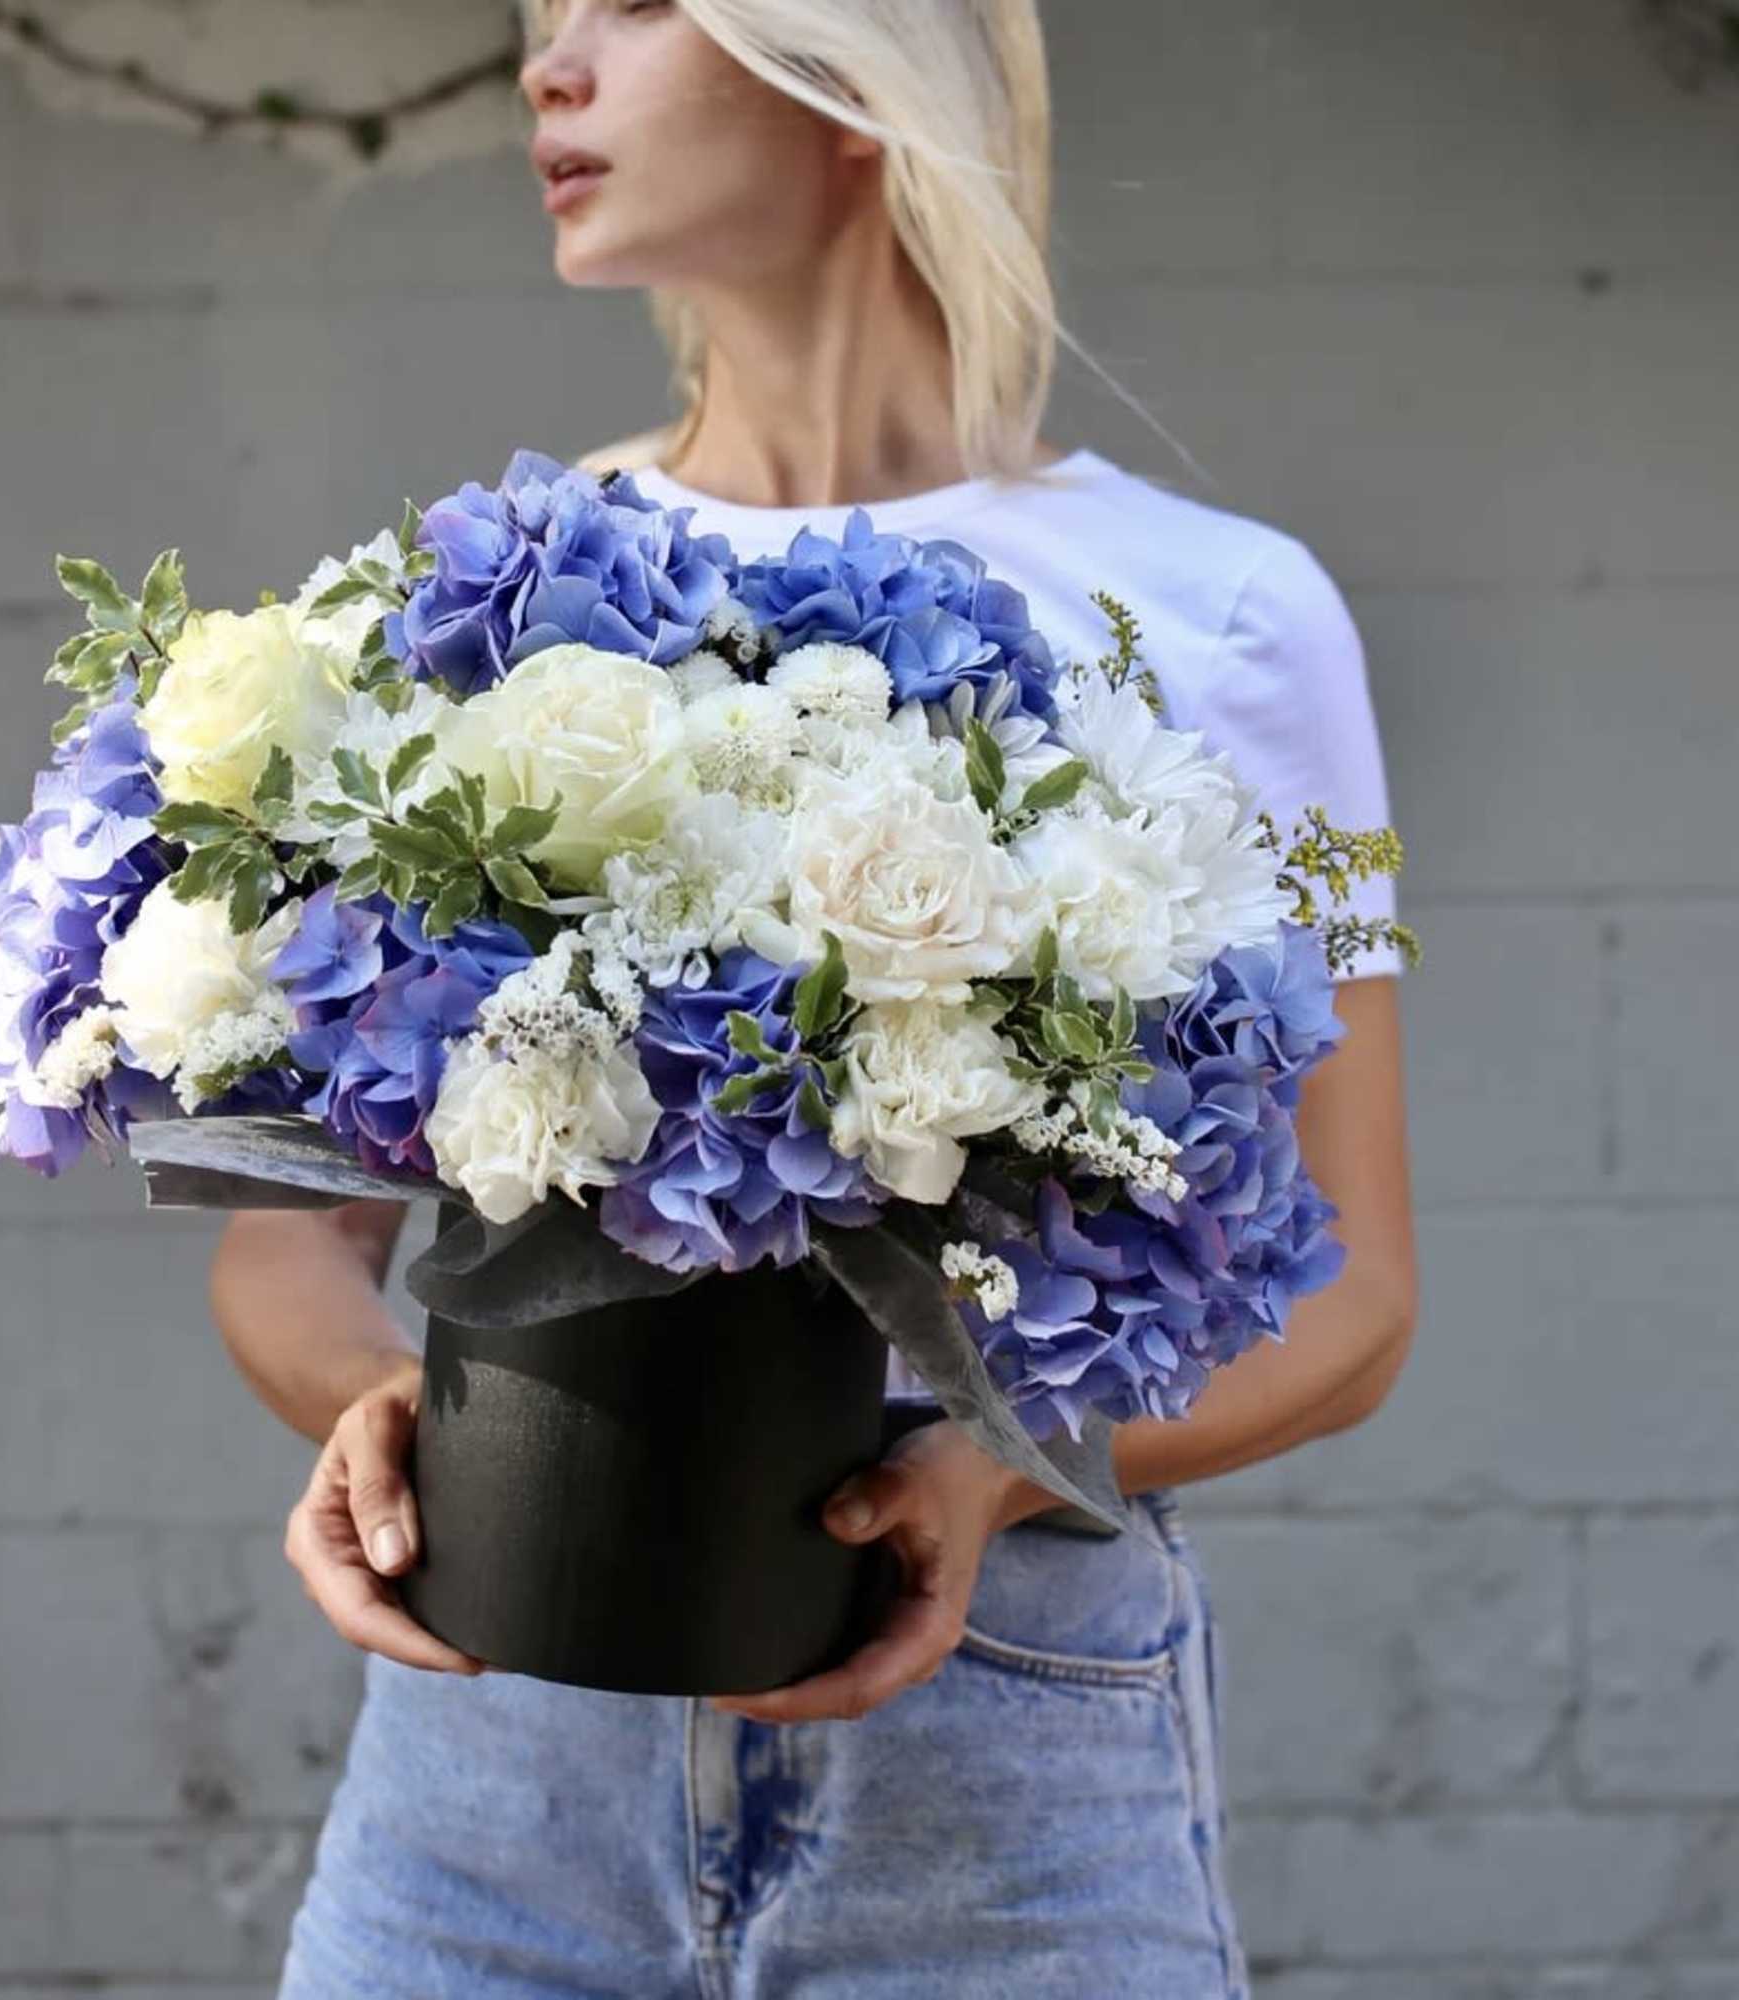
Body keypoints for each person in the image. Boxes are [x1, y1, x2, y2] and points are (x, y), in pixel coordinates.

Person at [214, 3, 1420, 1993]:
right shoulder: (479, 596)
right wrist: (384, 1414)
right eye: (538, 21)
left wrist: (978, 1459)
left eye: (630, 6)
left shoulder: (1222, 613)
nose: (548, 68)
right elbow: (291, 1238)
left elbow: (1354, 1288)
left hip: (1007, 1784)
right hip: (490, 1781)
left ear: (853, 72)